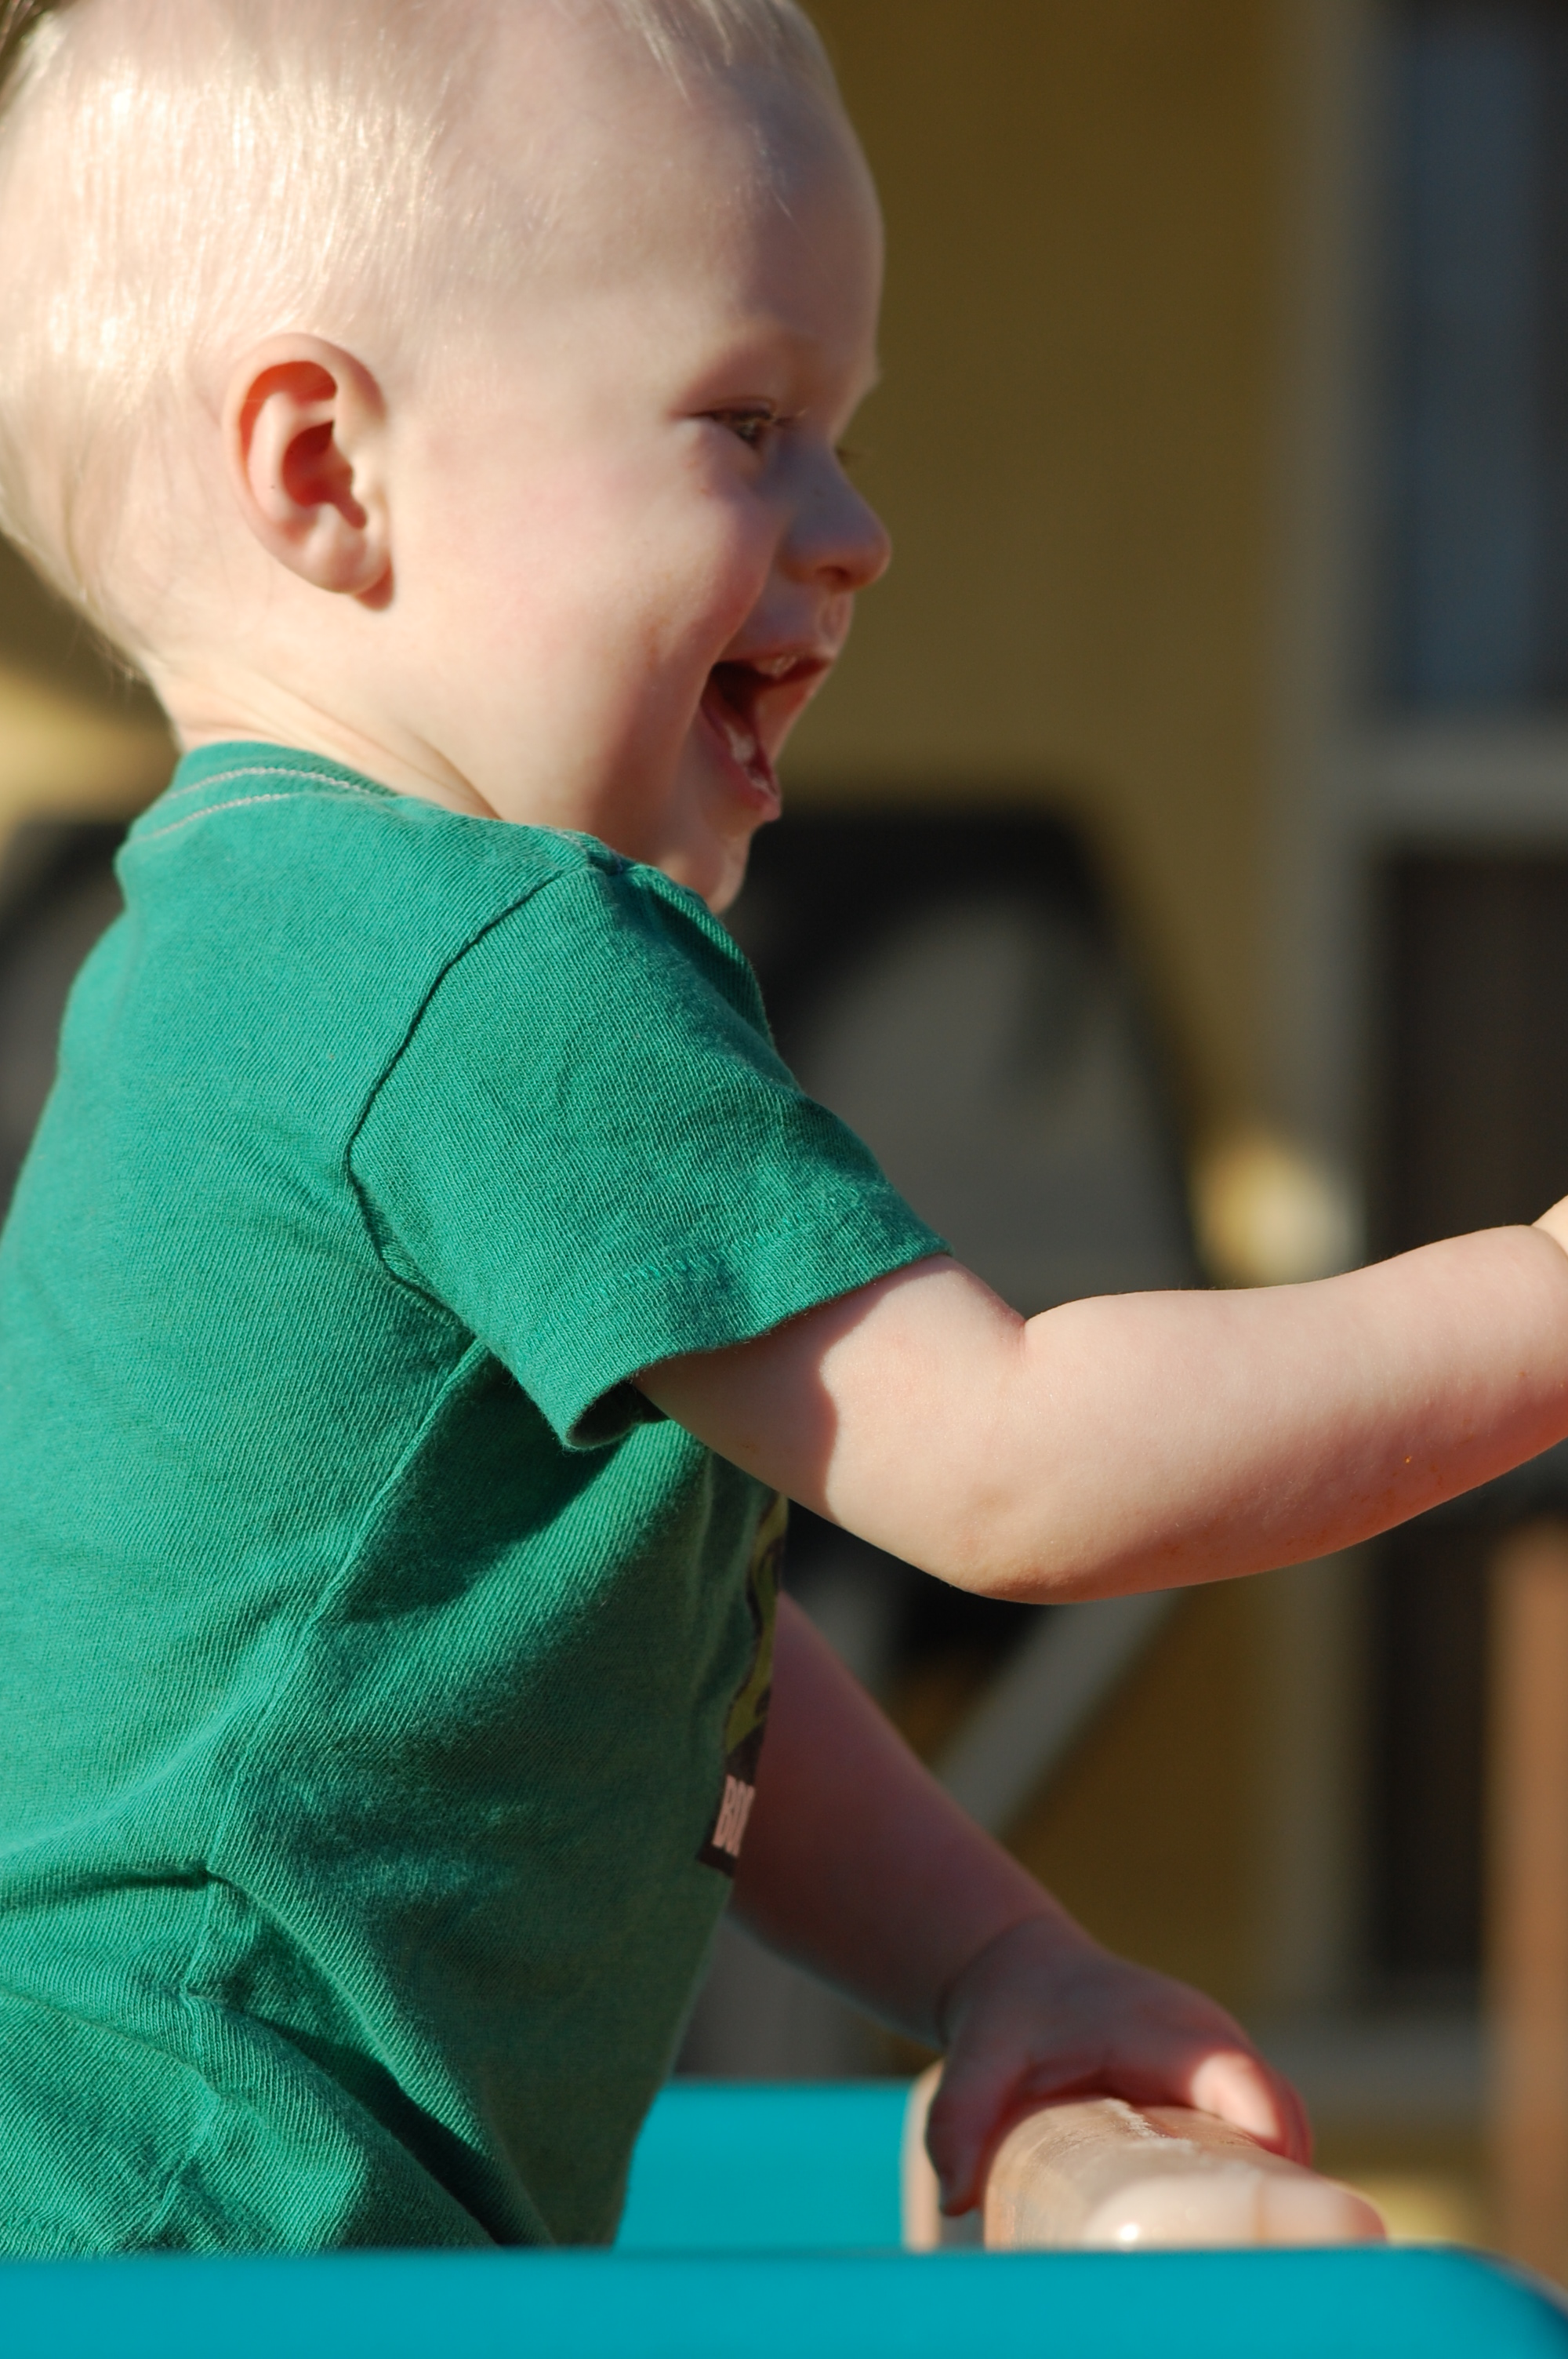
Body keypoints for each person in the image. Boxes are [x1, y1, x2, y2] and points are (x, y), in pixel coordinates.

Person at [0, 0, 1564, 2258]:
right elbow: (1013, 1464)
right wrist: (1543, 1296)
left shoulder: (227, 937)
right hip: (192, 2231)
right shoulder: (491, 956)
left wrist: (994, 1954)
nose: (861, 531)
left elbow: (656, 1622)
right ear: (327, 470)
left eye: (844, 430)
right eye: (748, 421)